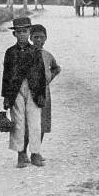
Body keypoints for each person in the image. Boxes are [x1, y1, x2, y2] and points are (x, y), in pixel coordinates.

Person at [1, 17, 47, 169]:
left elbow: (41, 74)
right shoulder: (10, 52)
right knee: (18, 122)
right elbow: (6, 75)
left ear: (29, 33)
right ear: (14, 34)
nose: (22, 35)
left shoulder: (35, 51)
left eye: (25, 31)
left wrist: (41, 94)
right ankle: (20, 153)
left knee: (34, 121)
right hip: (16, 90)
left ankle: (35, 153)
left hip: (33, 89)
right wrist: (6, 97)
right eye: (19, 32)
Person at [23, 24, 61, 162]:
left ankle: (36, 152)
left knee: (43, 122)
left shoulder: (47, 55)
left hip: (44, 92)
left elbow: (57, 68)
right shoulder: (26, 53)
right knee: (28, 123)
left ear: (46, 38)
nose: (38, 40)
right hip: (29, 92)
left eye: (42, 37)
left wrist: (48, 78)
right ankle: (23, 153)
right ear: (30, 38)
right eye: (35, 37)